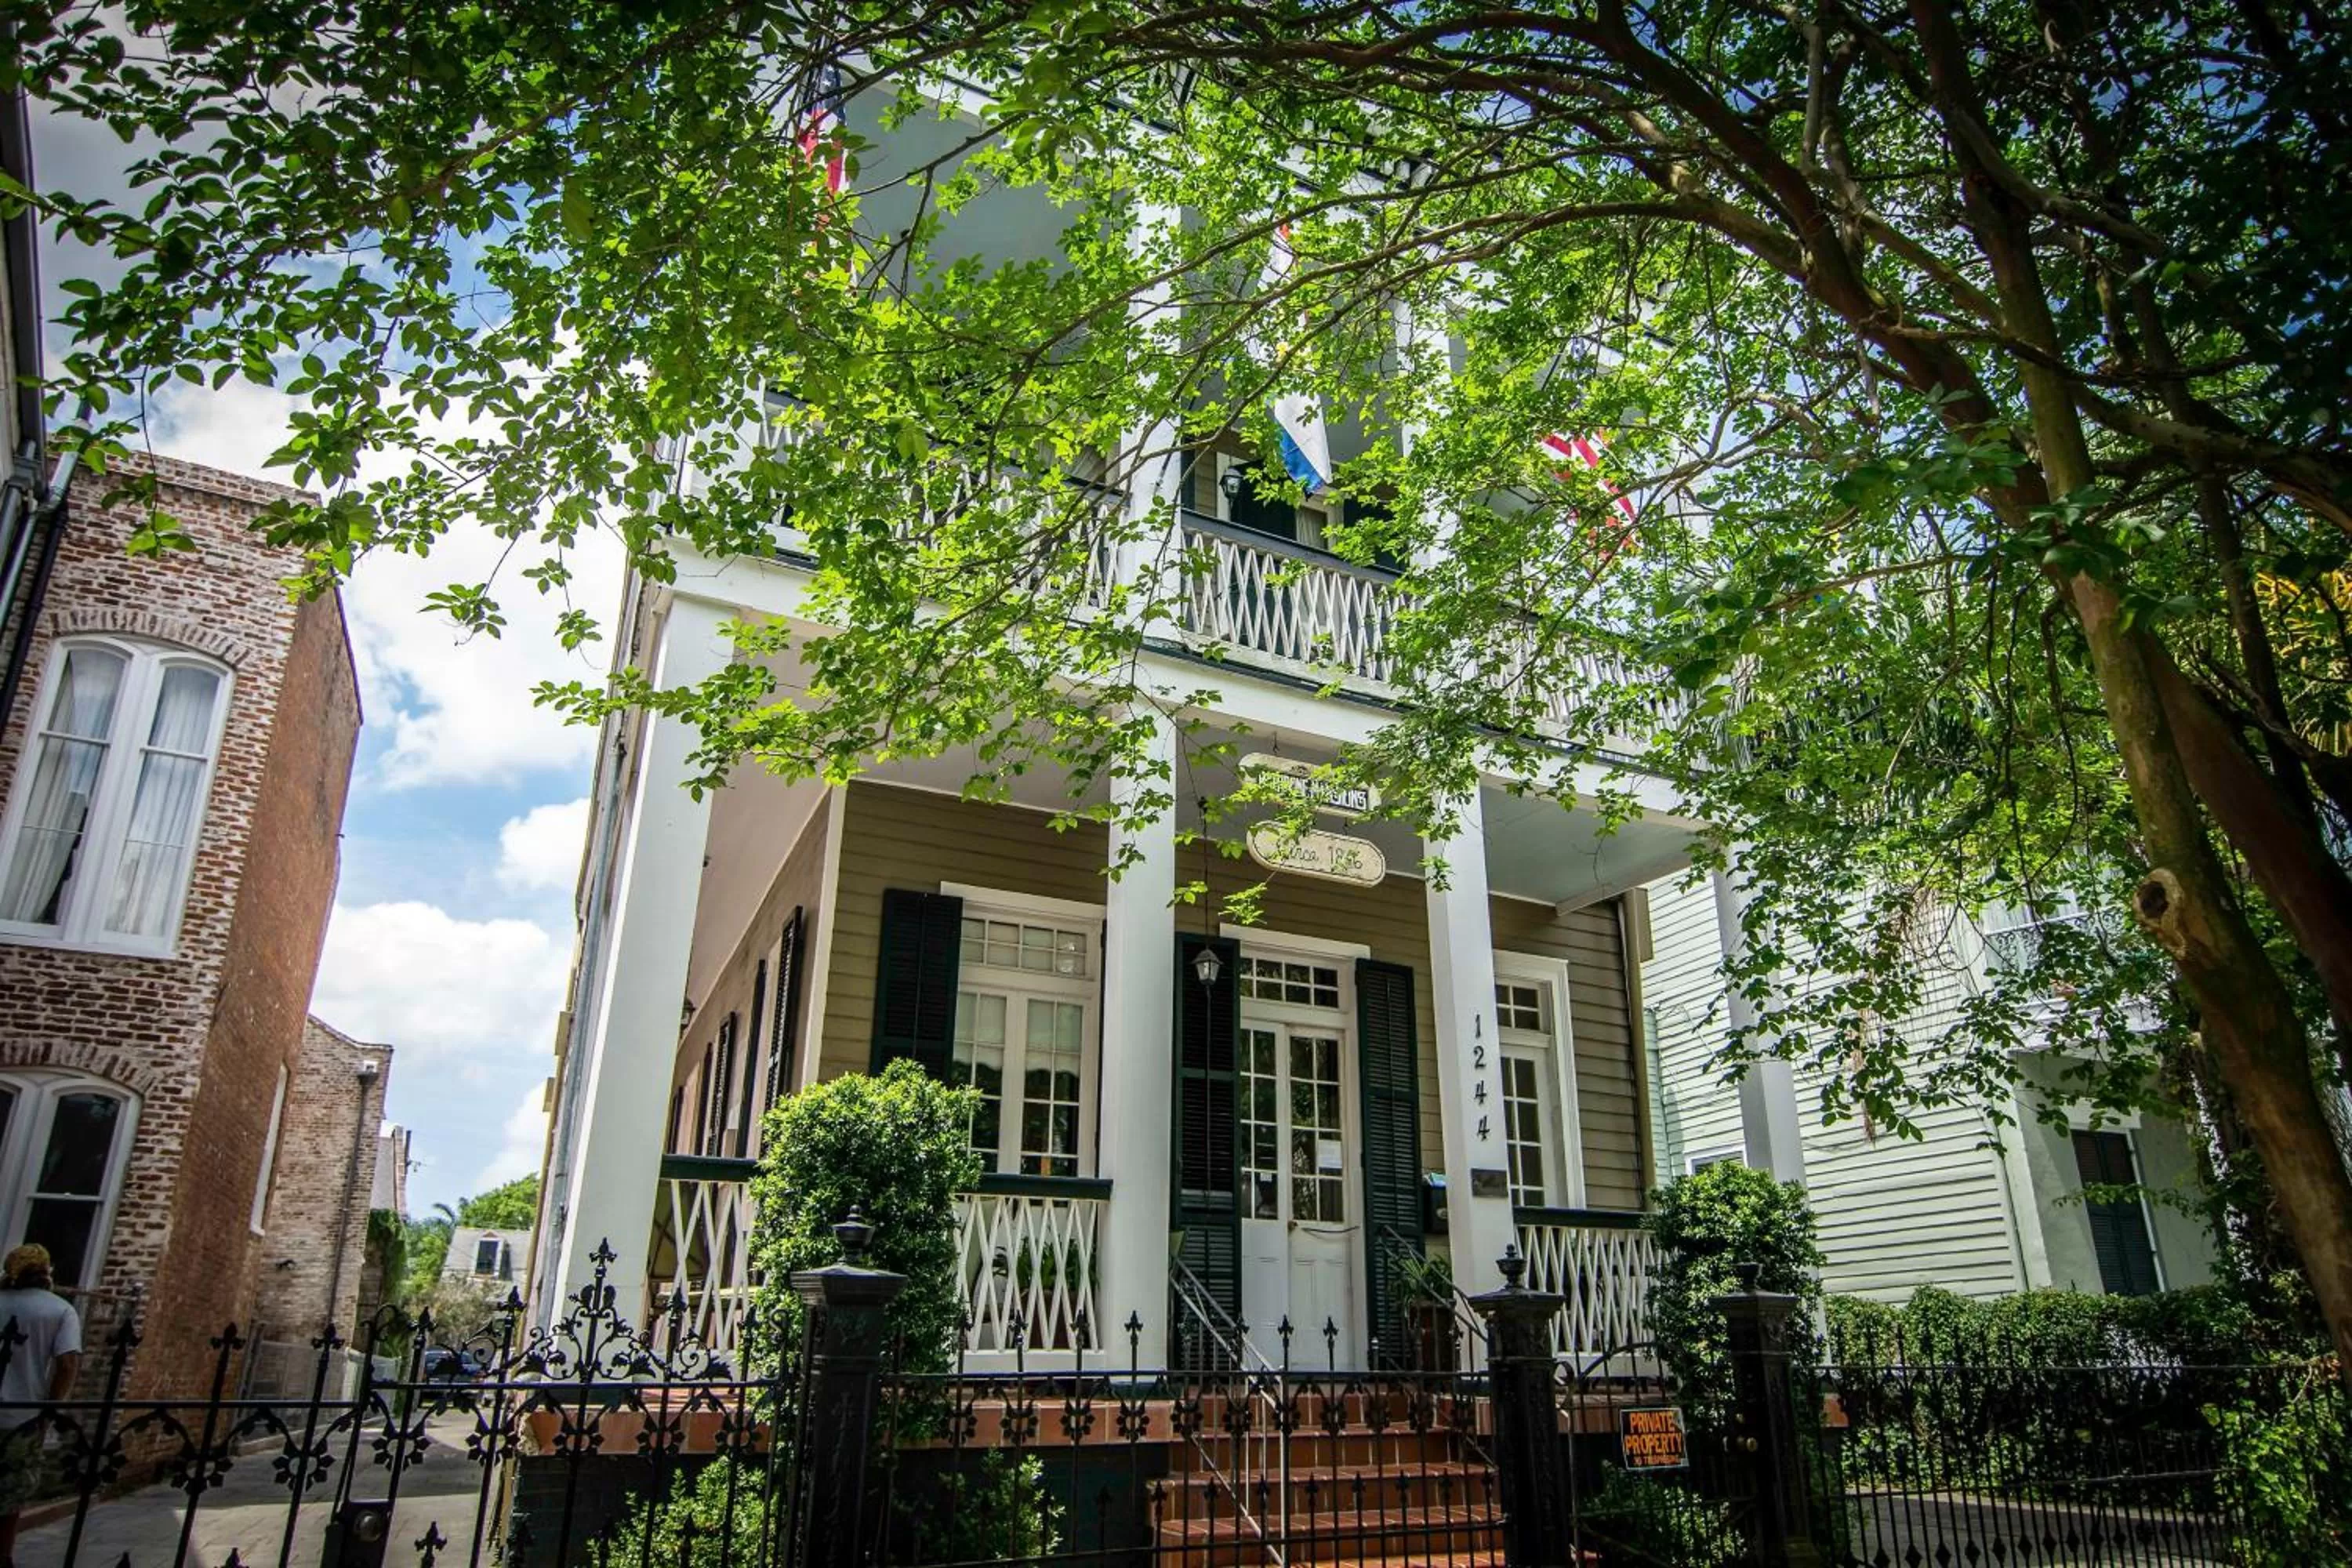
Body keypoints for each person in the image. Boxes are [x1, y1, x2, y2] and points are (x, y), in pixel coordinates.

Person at [0, 1244, 80, 1568]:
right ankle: (2, 1555)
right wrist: (51, 1409)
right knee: (10, 1494)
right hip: (23, 1416)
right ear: (47, 1272)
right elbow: (67, 1365)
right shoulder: (59, 1310)